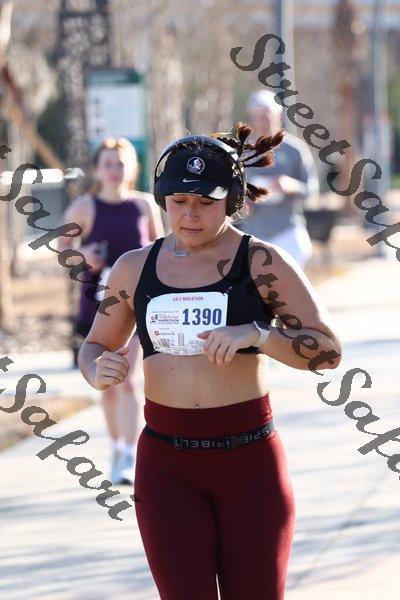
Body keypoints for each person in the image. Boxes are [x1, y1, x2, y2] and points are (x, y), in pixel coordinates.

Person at [78, 122, 342, 600]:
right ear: (162, 200)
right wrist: (97, 369)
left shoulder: (262, 262)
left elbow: (327, 350)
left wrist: (259, 335)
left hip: (249, 462)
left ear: (233, 199)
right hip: (166, 465)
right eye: (178, 201)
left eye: (205, 201)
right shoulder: (134, 267)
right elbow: (94, 345)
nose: (190, 214)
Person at [58, 137, 164, 485]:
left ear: (132, 168)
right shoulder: (84, 208)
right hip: (97, 304)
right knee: (108, 383)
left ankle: (130, 454)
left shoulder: (144, 205)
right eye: (108, 164)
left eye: (121, 164)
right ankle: (117, 448)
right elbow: (62, 249)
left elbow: (162, 250)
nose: (115, 170)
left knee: (129, 379)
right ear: (96, 170)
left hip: (136, 305)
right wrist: (82, 256)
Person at [237, 89, 320, 268]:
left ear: (279, 116)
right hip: (254, 236)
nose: (263, 121)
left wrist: (292, 186)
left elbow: (312, 191)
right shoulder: (241, 154)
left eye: (267, 115)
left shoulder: (295, 150)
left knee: (291, 285)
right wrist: (243, 202)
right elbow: (231, 196)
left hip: (288, 233)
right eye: (258, 116)